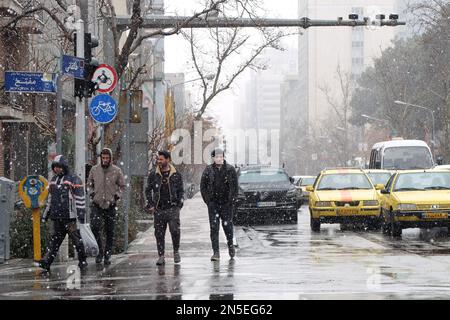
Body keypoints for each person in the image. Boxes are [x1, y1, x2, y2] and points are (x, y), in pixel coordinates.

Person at [39, 155, 87, 273]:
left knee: (76, 240)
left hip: (70, 217)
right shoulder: (53, 181)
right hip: (57, 217)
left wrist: (81, 214)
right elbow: (50, 199)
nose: (56, 169)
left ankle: (82, 260)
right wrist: (46, 214)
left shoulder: (73, 179)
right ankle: (47, 262)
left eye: (59, 167)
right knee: (55, 241)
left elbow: (80, 198)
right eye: (55, 167)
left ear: (64, 166)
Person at [87, 148, 125, 265]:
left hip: (111, 205)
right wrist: (92, 194)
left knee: (110, 231)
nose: (105, 160)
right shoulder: (94, 170)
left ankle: (108, 254)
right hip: (97, 204)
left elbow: (122, 186)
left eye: (107, 158)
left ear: (110, 158)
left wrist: (116, 197)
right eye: (103, 158)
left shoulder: (117, 171)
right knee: (95, 227)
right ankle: (99, 252)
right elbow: (89, 184)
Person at [146, 151, 184, 266]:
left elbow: (181, 190)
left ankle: (176, 251)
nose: (159, 161)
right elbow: (148, 190)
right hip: (159, 209)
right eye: (158, 159)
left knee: (175, 230)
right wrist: (151, 204)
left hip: (173, 208)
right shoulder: (154, 174)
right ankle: (161, 255)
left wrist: (179, 204)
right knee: (159, 233)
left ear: (168, 159)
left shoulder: (176, 174)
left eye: (161, 159)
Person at [200, 148, 238, 261]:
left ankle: (230, 245)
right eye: (216, 157)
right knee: (214, 228)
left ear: (223, 157)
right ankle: (216, 252)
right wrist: (208, 201)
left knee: (227, 226)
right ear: (213, 158)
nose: (219, 159)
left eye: (221, 156)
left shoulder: (230, 169)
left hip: (226, 204)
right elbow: (203, 187)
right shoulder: (208, 170)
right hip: (213, 204)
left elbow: (235, 187)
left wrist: (232, 200)